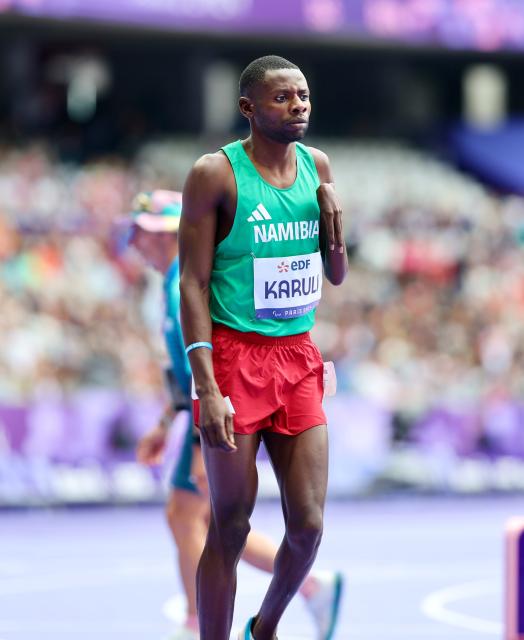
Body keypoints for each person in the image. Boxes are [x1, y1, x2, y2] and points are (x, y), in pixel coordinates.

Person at [178, 55, 349, 640]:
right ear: (248, 108)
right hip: (233, 358)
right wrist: (208, 387)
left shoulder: (317, 166)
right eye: (282, 97)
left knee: (308, 526)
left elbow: (337, 274)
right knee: (229, 524)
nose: (298, 105)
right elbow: (192, 283)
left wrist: (334, 223)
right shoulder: (216, 174)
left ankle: (266, 628)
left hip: (297, 357)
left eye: (303, 95)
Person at [126, 189, 344, 640]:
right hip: (205, 410)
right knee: (206, 520)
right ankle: (306, 588)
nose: (135, 243)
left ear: (170, 234)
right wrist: (167, 424)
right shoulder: (168, 287)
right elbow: (181, 372)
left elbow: (196, 367)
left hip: (221, 406)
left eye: (143, 233)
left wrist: (188, 443)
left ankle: (199, 618)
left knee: (190, 516)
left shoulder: (175, 291)